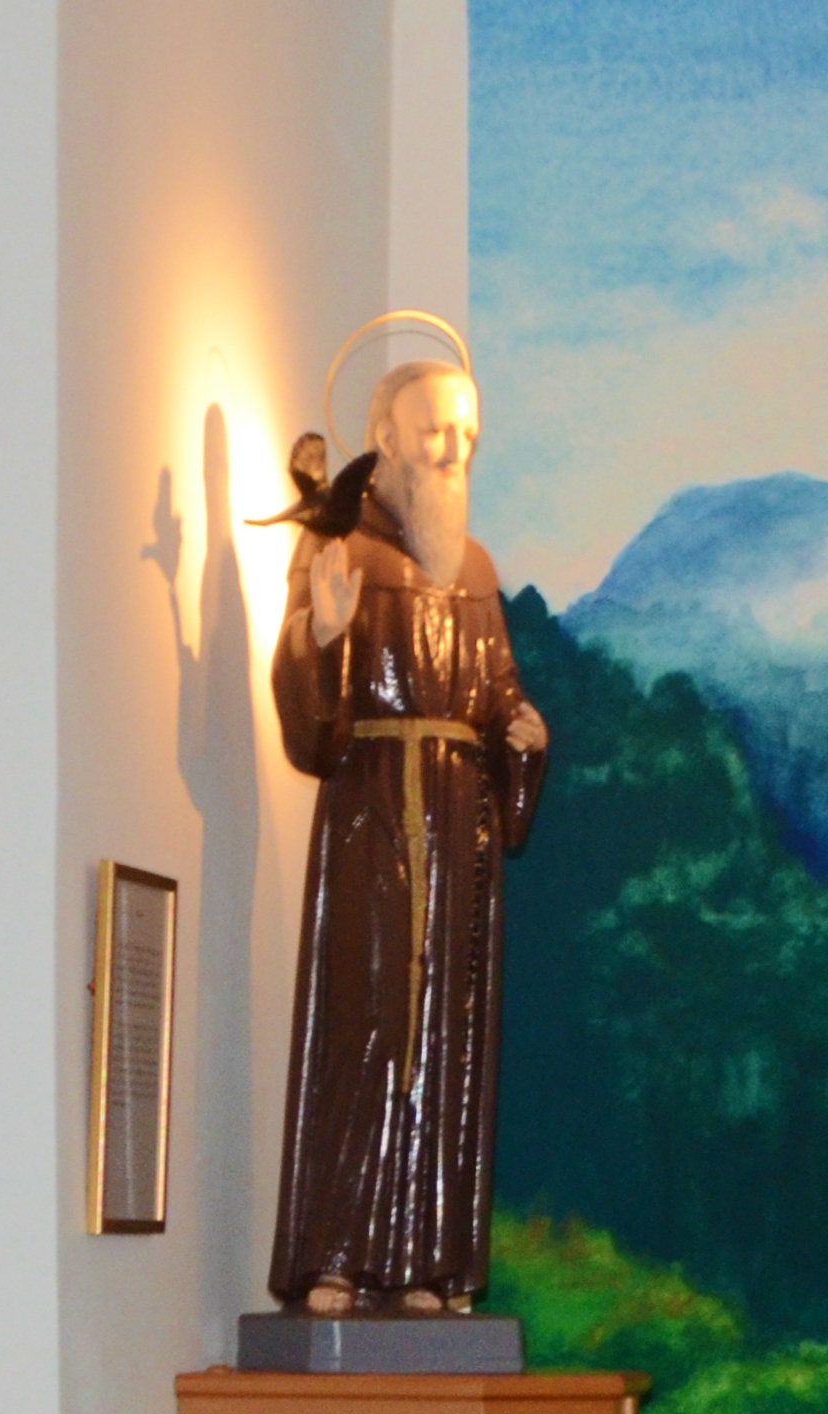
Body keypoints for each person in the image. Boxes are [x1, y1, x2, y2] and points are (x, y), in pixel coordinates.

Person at [266, 359, 548, 1315]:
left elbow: (497, 692)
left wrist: (521, 738)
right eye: (436, 432)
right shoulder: (335, 547)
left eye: (467, 436)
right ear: (386, 436)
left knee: (445, 1038)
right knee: (366, 1020)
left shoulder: (475, 570)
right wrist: (321, 637)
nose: (454, 450)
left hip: (460, 829)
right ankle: (339, 1254)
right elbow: (311, 732)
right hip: (373, 814)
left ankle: (430, 1262)